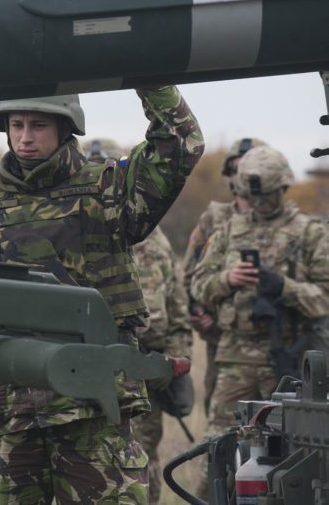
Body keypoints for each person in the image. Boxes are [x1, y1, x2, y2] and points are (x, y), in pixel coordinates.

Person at [0, 87, 203, 505]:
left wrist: (150, 78)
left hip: (95, 413)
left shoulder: (108, 192)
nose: (25, 137)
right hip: (12, 417)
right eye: (16, 125)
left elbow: (180, 145)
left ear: (65, 127)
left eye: (38, 125)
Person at [190, 146, 329, 482]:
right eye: (254, 197)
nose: (260, 204)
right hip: (235, 359)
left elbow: (324, 298)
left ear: (283, 188)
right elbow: (199, 285)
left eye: (267, 195)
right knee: (216, 454)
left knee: (294, 458)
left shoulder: (310, 233)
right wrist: (228, 279)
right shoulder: (227, 232)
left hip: (290, 361)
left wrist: (284, 286)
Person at [86, 140, 193, 505]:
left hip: (142, 371)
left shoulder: (154, 240)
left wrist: (175, 365)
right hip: (88, 369)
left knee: (139, 459)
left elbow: (178, 311)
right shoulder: (78, 236)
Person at [180, 137, 262, 412]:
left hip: (273, 340)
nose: (243, 176)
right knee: (221, 417)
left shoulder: (283, 222)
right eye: (237, 169)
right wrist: (196, 312)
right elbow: (190, 274)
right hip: (222, 336)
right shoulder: (215, 218)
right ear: (229, 174)